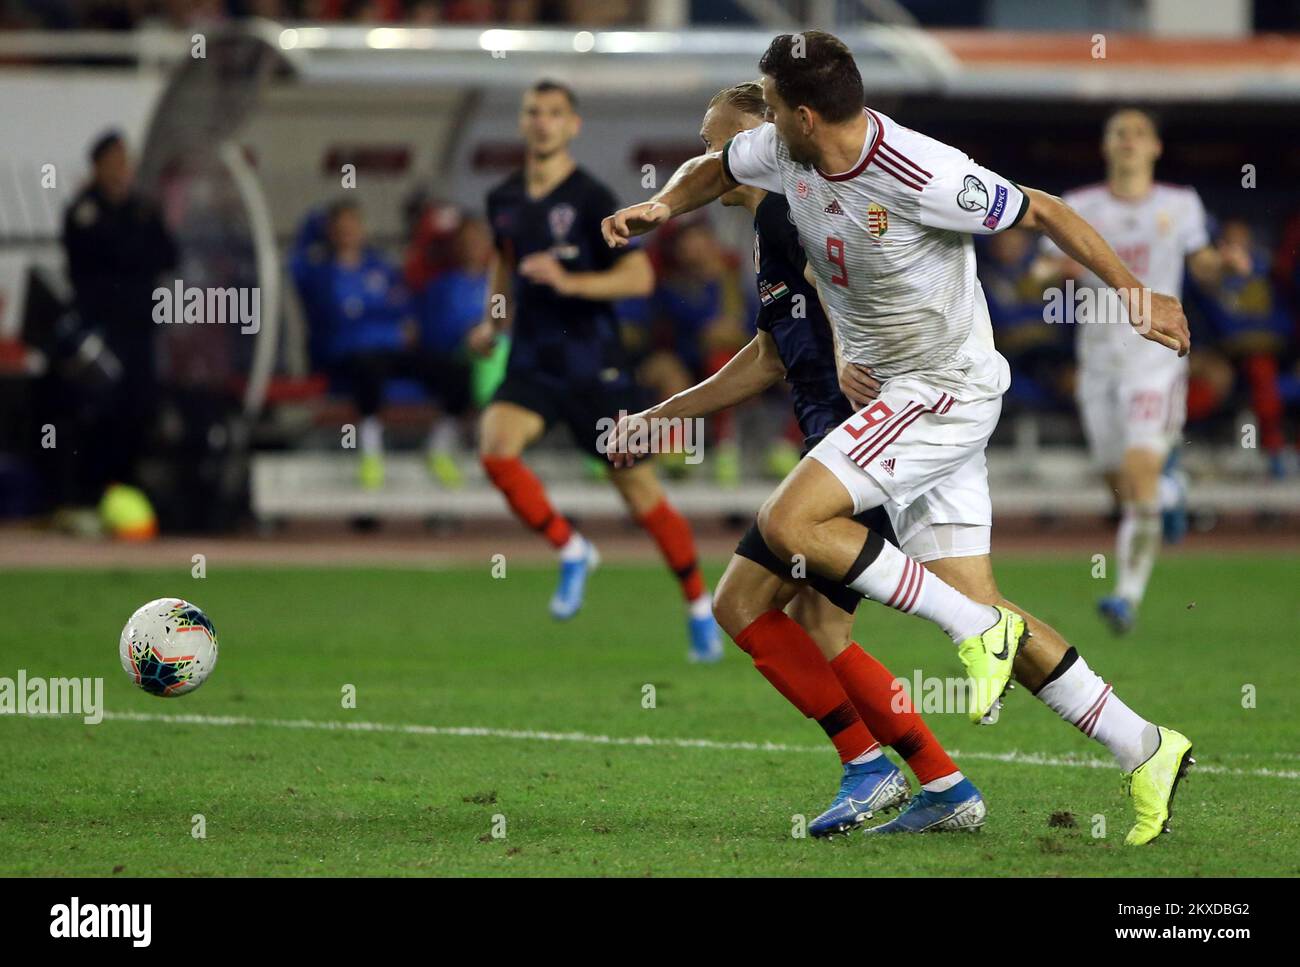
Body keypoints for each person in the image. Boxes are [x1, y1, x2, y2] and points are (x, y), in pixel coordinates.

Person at [603, 32, 1193, 844]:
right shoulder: (784, 151)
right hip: (904, 400)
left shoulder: (926, 173)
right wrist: (663, 206)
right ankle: (1144, 743)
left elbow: (1046, 208)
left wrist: (1134, 291)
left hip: (940, 390)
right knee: (978, 600)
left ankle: (957, 657)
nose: (760, 126)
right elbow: (716, 167)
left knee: (791, 523)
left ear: (806, 116)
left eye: (771, 108)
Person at [609, 82, 981, 835]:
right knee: (810, 623)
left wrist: (850, 354)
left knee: (751, 608)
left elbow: (845, 284)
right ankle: (939, 781)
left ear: (764, 138)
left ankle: (878, 769)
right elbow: (769, 357)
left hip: (855, 451)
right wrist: (658, 418)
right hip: (844, 448)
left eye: (718, 142)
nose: (709, 158)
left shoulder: (787, 211)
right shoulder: (769, 228)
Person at [468, 80, 721, 661]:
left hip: (595, 367)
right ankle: (572, 548)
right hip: (534, 361)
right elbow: (503, 268)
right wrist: (492, 325)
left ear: (572, 125)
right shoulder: (504, 198)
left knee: (640, 495)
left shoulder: (590, 199)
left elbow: (639, 278)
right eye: (533, 111)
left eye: (555, 113)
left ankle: (698, 608)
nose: (542, 122)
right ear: (522, 122)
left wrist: (570, 281)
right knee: (495, 446)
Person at [1041, 108, 1250, 632]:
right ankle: (1173, 491)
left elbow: (1200, 262)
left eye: (1139, 133)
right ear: (1105, 146)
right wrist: (1051, 272)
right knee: (1120, 483)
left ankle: (1126, 596)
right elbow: (1045, 273)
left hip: (1154, 358)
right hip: (1099, 360)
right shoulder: (1080, 205)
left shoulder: (1178, 204)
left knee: (1137, 475)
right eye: (1119, 133)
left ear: (1155, 147)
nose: (1129, 140)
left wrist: (1223, 266)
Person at [290, 200, 471, 489]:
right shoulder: (319, 273)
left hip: (391, 348)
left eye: (353, 226)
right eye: (340, 227)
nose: (348, 232)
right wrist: (312, 223)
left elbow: (404, 310)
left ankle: (439, 448)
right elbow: (297, 266)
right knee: (368, 368)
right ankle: (371, 452)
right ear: (330, 231)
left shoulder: (380, 269)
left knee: (455, 372)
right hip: (348, 353)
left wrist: (392, 322)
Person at [62, 129, 178, 513]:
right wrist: (132, 249)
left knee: (140, 404)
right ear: (97, 167)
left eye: (124, 162)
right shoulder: (84, 211)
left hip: (140, 326)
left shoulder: (143, 209)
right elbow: (103, 256)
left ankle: (128, 483)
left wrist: (133, 248)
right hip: (99, 327)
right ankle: (90, 489)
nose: (120, 170)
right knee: (98, 407)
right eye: (112, 162)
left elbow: (165, 253)